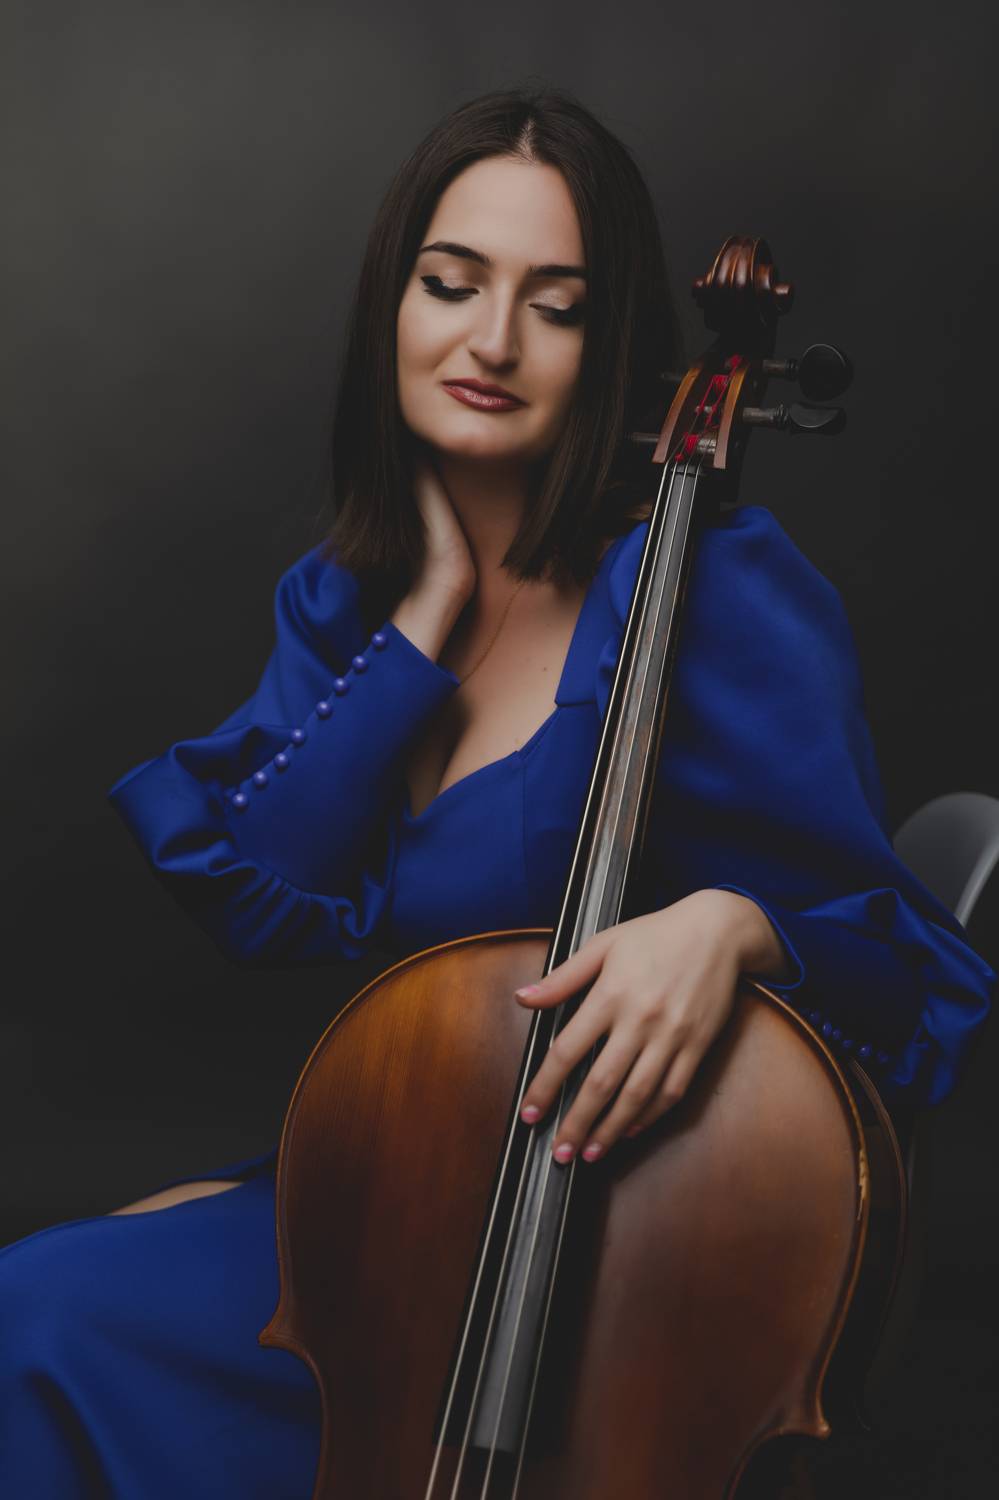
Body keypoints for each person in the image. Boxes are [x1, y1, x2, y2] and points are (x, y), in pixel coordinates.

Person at [1, 84, 994, 1499]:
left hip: (613, 1265)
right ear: (391, 308)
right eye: (451, 283)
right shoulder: (352, 602)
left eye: (557, 305)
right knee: (37, 1314)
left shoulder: (711, 594)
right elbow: (264, 901)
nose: (492, 341)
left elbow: (918, 976)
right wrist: (427, 617)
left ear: (610, 346)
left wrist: (736, 929)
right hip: (390, 1221)